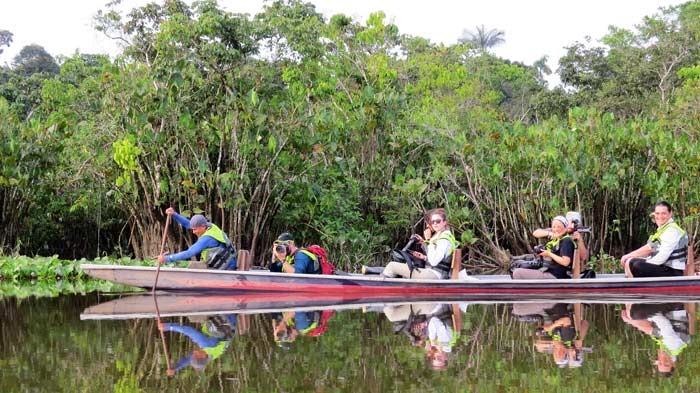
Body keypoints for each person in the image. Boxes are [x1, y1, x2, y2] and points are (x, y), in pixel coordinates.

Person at [381, 208, 458, 279]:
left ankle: (381, 288)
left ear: (445, 222)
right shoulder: (444, 235)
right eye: (432, 221)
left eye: (438, 221)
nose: (434, 223)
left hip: (434, 275)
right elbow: (438, 258)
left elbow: (434, 262)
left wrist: (429, 240)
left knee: (392, 266)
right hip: (435, 272)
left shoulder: (443, 239)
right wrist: (424, 257)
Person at [620, 201, 688, 278]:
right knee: (630, 261)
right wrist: (629, 256)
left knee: (636, 265)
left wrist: (644, 263)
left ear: (670, 213)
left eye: (663, 213)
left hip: (672, 271)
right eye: (657, 213)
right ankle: (632, 286)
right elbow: (650, 247)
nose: (660, 216)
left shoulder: (672, 230)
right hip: (663, 267)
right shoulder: (663, 229)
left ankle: (634, 287)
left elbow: (661, 258)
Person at [621, 303, 690, 377]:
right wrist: (635, 318)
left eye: (660, 363)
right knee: (634, 314)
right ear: (673, 363)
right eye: (666, 364)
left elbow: (650, 329)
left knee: (633, 314)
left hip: (667, 309)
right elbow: (662, 322)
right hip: (673, 305)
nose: (662, 361)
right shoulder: (674, 345)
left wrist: (630, 321)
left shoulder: (668, 349)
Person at [157, 208, 237, 269]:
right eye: (193, 229)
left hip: (227, 267)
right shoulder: (210, 226)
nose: (193, 232)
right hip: (227, 261)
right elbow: (189, 224)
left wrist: (167, 258)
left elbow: (189, 253)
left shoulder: (206, 239)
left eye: (195, 229)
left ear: (203, 226)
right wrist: (174, 214)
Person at [158, 314, 237, 373]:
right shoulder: (205, 344)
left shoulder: (211, 356)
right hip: (225, 317)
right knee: (192, 316)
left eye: (194, 356)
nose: (193, 353)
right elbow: (189, 331)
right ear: (202, 356)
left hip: (229, 323)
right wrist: (169, 327)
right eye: (196, 355)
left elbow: (188, 360)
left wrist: (176, 368)